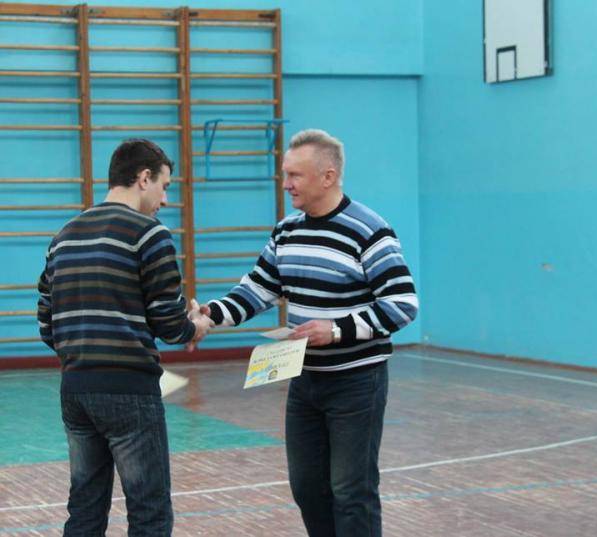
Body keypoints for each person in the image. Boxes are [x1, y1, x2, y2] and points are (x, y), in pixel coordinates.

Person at [204, 128, 418, 536]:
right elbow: (257, 290)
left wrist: (335, 331)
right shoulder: (287, 231)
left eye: (295, 175)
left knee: (351, 491)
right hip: (304, 381)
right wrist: (210, 315)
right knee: (307, 487)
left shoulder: (370, 231)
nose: (286, 184)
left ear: (328, 176)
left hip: (357, 383)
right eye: (286, 174)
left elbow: (402, 304)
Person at [36, 138, 213, 536]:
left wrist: (81, 354)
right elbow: (170, 324)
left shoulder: (64, 235)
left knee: (84, 508)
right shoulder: (150, 234)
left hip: (75, 388)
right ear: (143, 177)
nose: (165, 199)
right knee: (149, 511)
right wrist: (196, 326)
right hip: (130, 390)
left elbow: (47, 320)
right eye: (164, 186)